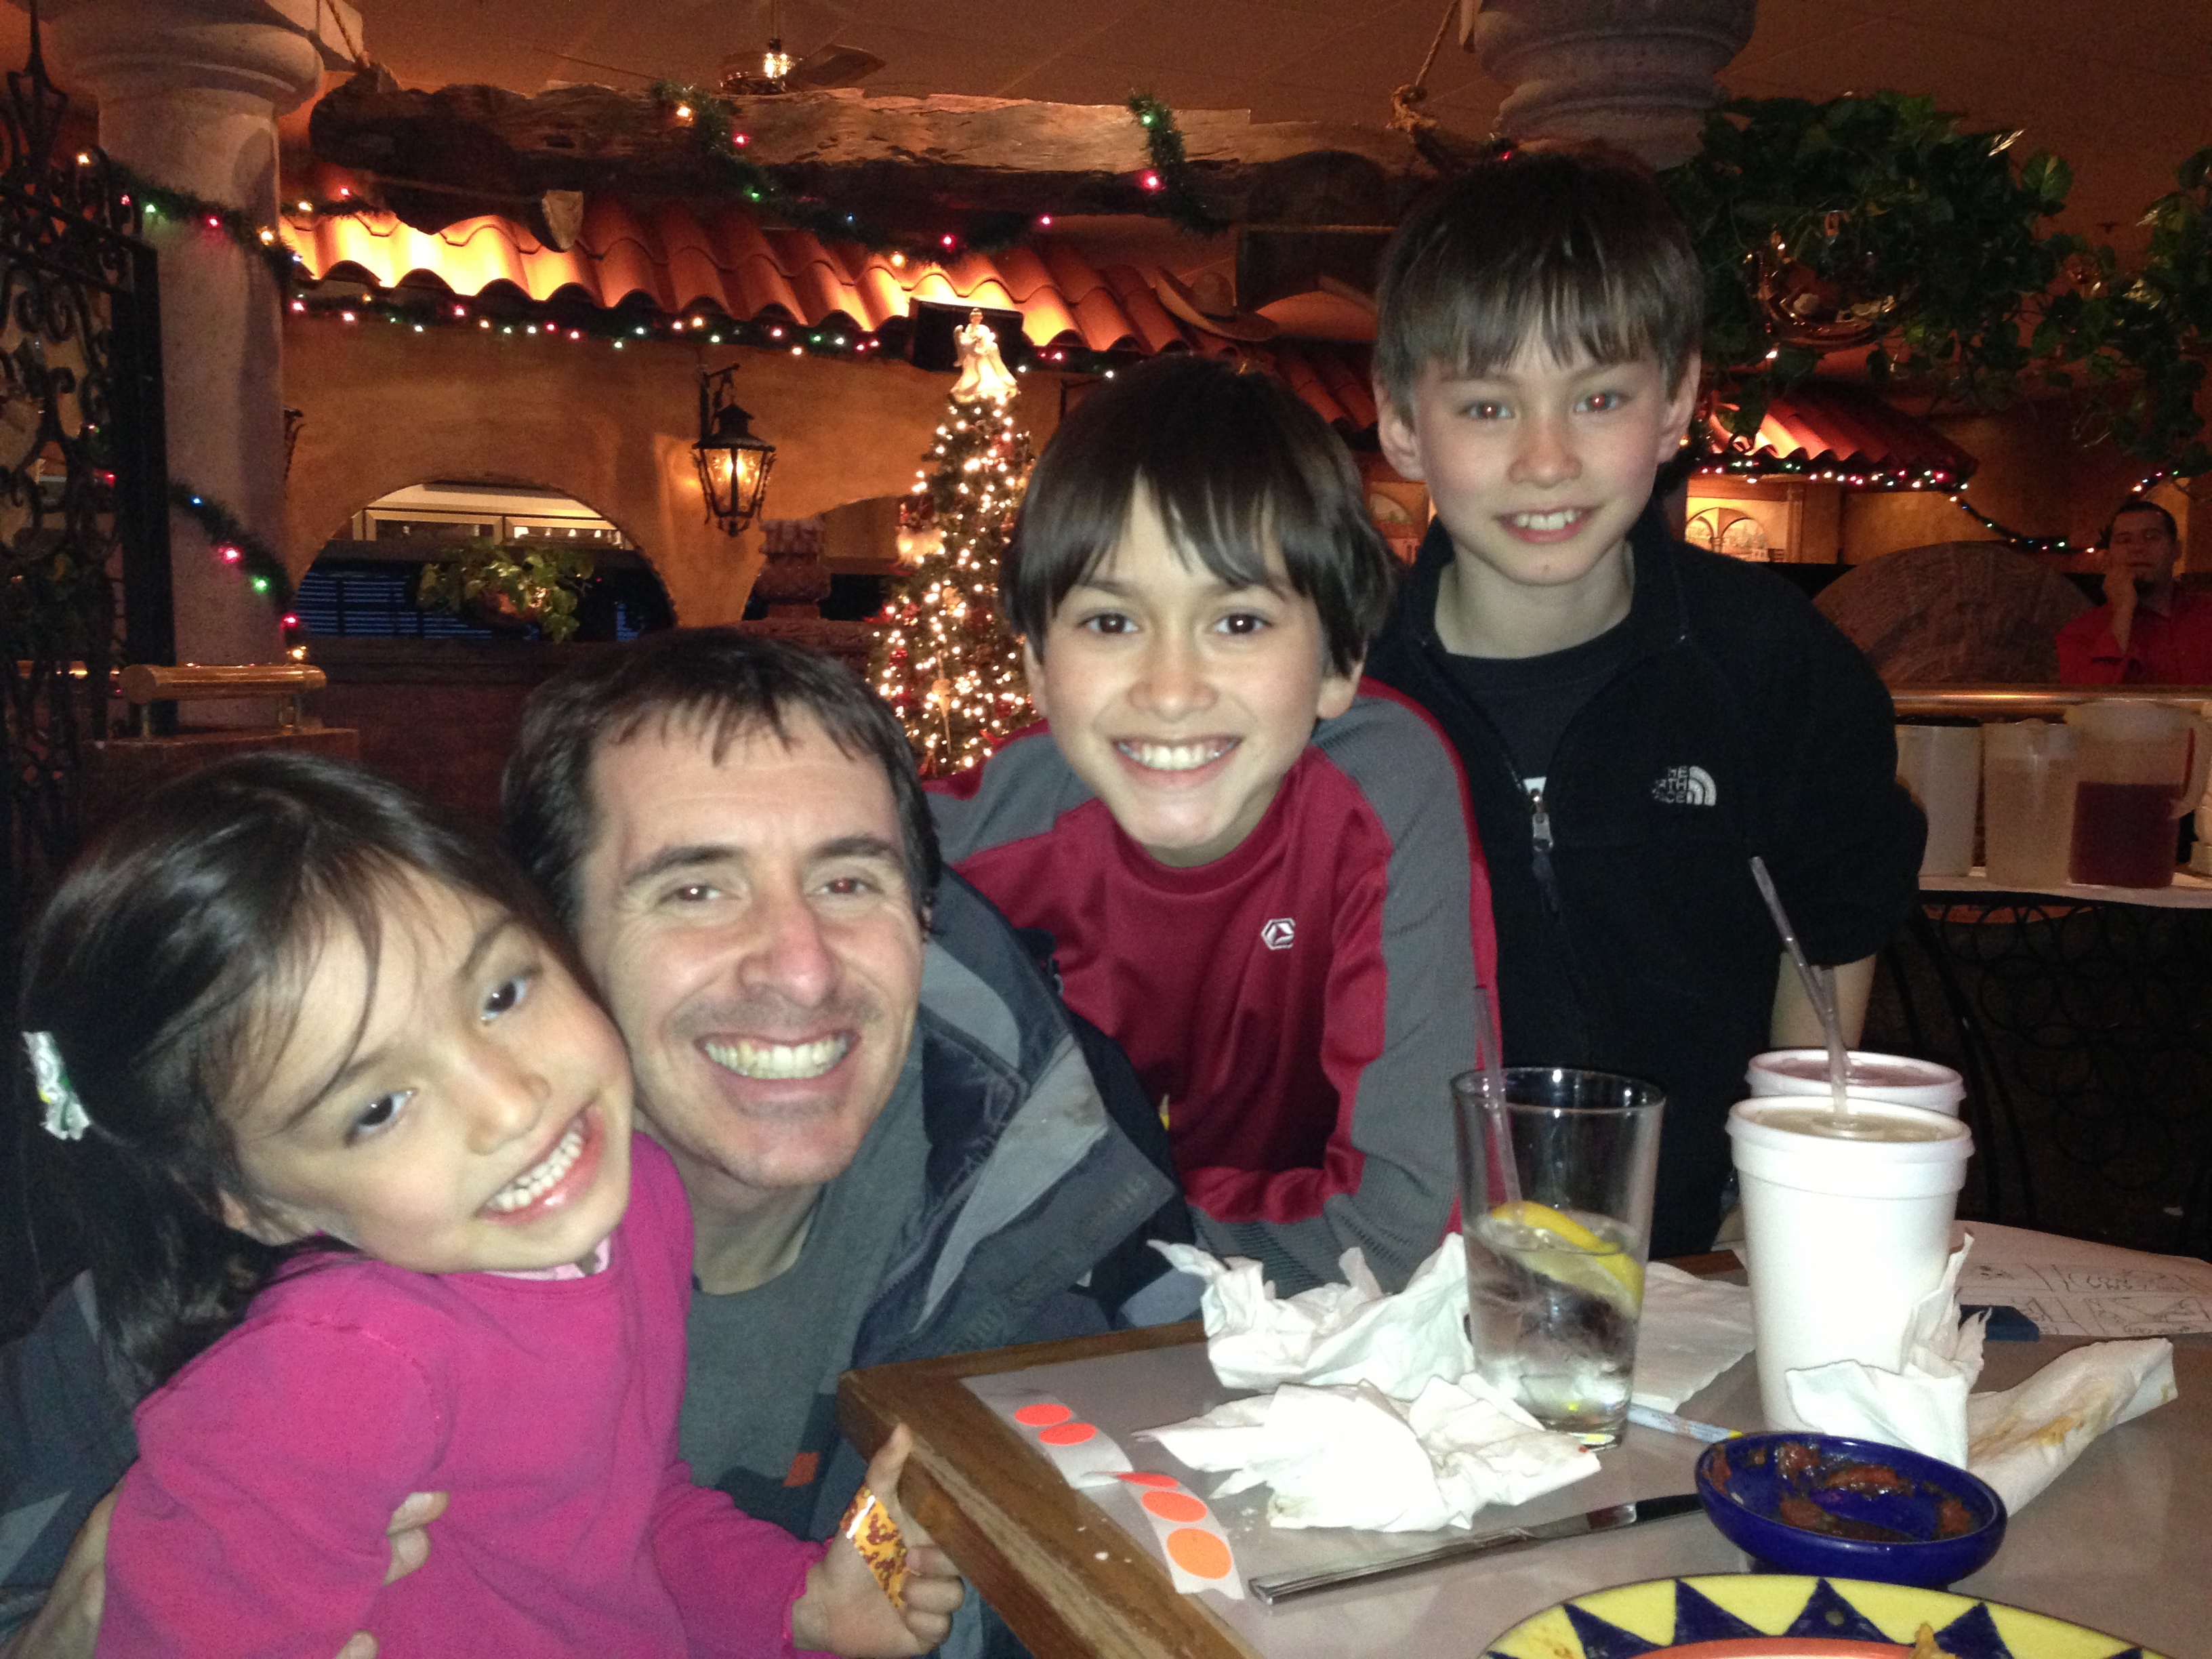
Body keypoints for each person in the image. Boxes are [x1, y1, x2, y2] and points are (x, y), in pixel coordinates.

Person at [2, 634, 1189, 1659]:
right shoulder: (311, 1358)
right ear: (564, 923)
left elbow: (646, 1517)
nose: (799, 966)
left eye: (846, 878)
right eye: (693, 890)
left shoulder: (1038, 1214)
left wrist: (820, 1599)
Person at [1362, 146, 1925, 1259]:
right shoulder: (1346, 682)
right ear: (1400, 422)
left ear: (1674, 404)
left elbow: (1832, 926)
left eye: (1599, 398)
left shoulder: (1768, 660)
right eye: (1487, 405)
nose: (1546, 460)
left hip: (1694, 1251)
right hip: (1409, 1260)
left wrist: (1770, 1188)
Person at [930, 353, 1499, 1297]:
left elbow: (1408, 1227)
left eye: (1237, 622)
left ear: (1339, 662)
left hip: (1305, 1338)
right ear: (1036, 666)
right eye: (1111, 623)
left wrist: (1083, 1237)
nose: (1171, 690)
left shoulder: (1381, 792)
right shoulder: (953, 860)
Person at [2056, 501, 2212, 683]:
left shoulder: (2206, 614)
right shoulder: (2081, 632)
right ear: (2109, 555)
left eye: (2151, 537)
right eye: (2124, 540)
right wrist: (2122, 613)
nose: (2138, 548)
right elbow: (2091, 698)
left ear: (2176, 550)